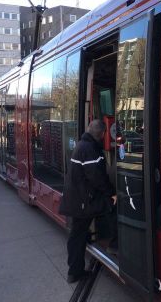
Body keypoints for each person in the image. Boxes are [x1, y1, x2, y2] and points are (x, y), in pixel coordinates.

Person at [59, 120, 117, 283]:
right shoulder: (90, 149)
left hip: (79, 199)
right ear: (103, 134)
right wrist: (111, 194)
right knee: (111, 208)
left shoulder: (83, 145)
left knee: (78, 234)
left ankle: (74, 269)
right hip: (83, 202)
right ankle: (76, 271)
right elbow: (97, 178)